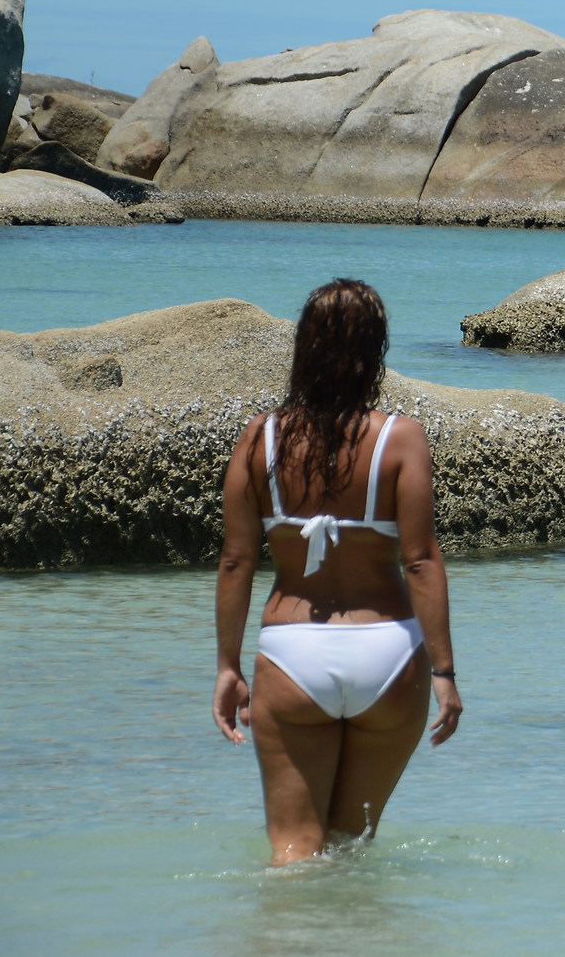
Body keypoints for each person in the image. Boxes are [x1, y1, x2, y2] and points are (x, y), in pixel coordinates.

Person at [211, 278, 463, 864]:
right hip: (389, 654)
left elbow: (236, 560)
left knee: (295, 849)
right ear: (376, 350)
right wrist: (446, 672)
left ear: (303, 347)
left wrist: (227, 666)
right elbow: (421, 559)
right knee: (352, 847)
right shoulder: (400, 438)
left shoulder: (261, 438)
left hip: (293, 649)